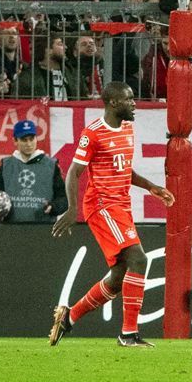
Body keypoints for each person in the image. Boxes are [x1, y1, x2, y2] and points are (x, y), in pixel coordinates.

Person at [48, 83, 174, 347]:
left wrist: (151, 187)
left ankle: (69, 317)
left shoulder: (127, 128)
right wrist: (72, 209)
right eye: (129, 99)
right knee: (139, 260)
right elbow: (73, 172)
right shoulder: (92, 134)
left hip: (121, 205)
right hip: (102, 205)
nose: (134, 103)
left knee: (118, 278)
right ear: (113, 103)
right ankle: (128, 334)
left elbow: (122, 170)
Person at [0, 120, 68, 223]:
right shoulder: (6, 165)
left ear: (36, 139)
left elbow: (63, 198)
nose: (29, 144)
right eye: (24, 140)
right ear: (15, 141)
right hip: (11, 229)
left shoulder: (51, 165)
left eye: (32, 139)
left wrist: (53, 207)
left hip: (42, 229)